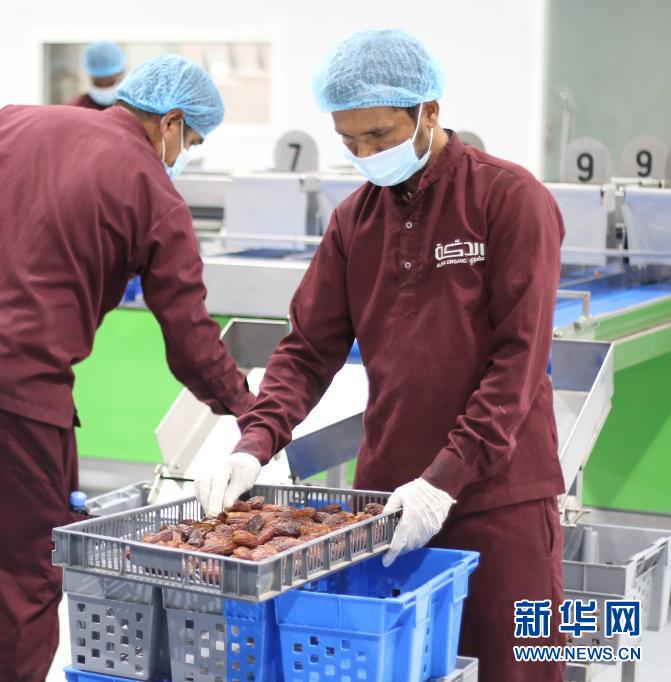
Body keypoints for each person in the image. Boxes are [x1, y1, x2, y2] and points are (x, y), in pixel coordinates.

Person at [0, 54, 253, 682]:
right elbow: (190, 342)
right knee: (28, 576)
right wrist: (250, 410)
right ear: (170, 121)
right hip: (22, 395)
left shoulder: (16, 122)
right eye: (190, 141)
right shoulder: (157, 197)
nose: (184, 155)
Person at [194, 29, 566, 682]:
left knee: (512, 669)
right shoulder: (354, 222)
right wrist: (254, 441)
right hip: (388, 507)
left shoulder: (508, 199)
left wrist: (444, 479)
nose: (366, 153)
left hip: (497, 499)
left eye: (379, 135)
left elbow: (518, 360)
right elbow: (306, 351)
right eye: (350, 141)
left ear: (429, 111)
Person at [67, 41, 126, 110]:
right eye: (98, 83)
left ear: (120, 74)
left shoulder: (129, 109)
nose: (104, 89)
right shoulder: (74, 108)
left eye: (110, 83)